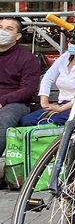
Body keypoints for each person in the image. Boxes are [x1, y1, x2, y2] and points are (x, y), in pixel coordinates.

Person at [19, 43, 75, 126]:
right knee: (26, 121)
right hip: (60, 104)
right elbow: (47, 78)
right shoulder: (65, 56)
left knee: (46, 124)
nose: (72, 45)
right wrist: (45, 103)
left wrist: (60, 109)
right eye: (71, 42)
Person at [0, 18, 42, 155]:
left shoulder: (27, 59)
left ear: (17, 36)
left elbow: (28, 90)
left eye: (9, 29)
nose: (2, 31)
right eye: (0, 27)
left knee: (4, 119)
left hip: (14, 104)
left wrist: (2, 101)